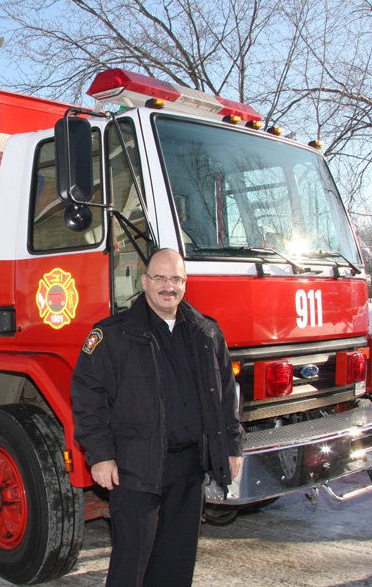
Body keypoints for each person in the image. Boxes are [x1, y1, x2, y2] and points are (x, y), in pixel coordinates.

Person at [70, 248, 245, 587]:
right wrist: (101, 455)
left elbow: (225, 395)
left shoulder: (206, 333)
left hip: (189, 468)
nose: (169, 287)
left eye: (176, 279)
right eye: (161, 278)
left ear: (185, 283)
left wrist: (232, 445)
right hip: (136, 469)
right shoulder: (113, 335)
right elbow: (88, 396)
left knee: (176, 566)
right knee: (130, 567)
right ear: (145, 281)